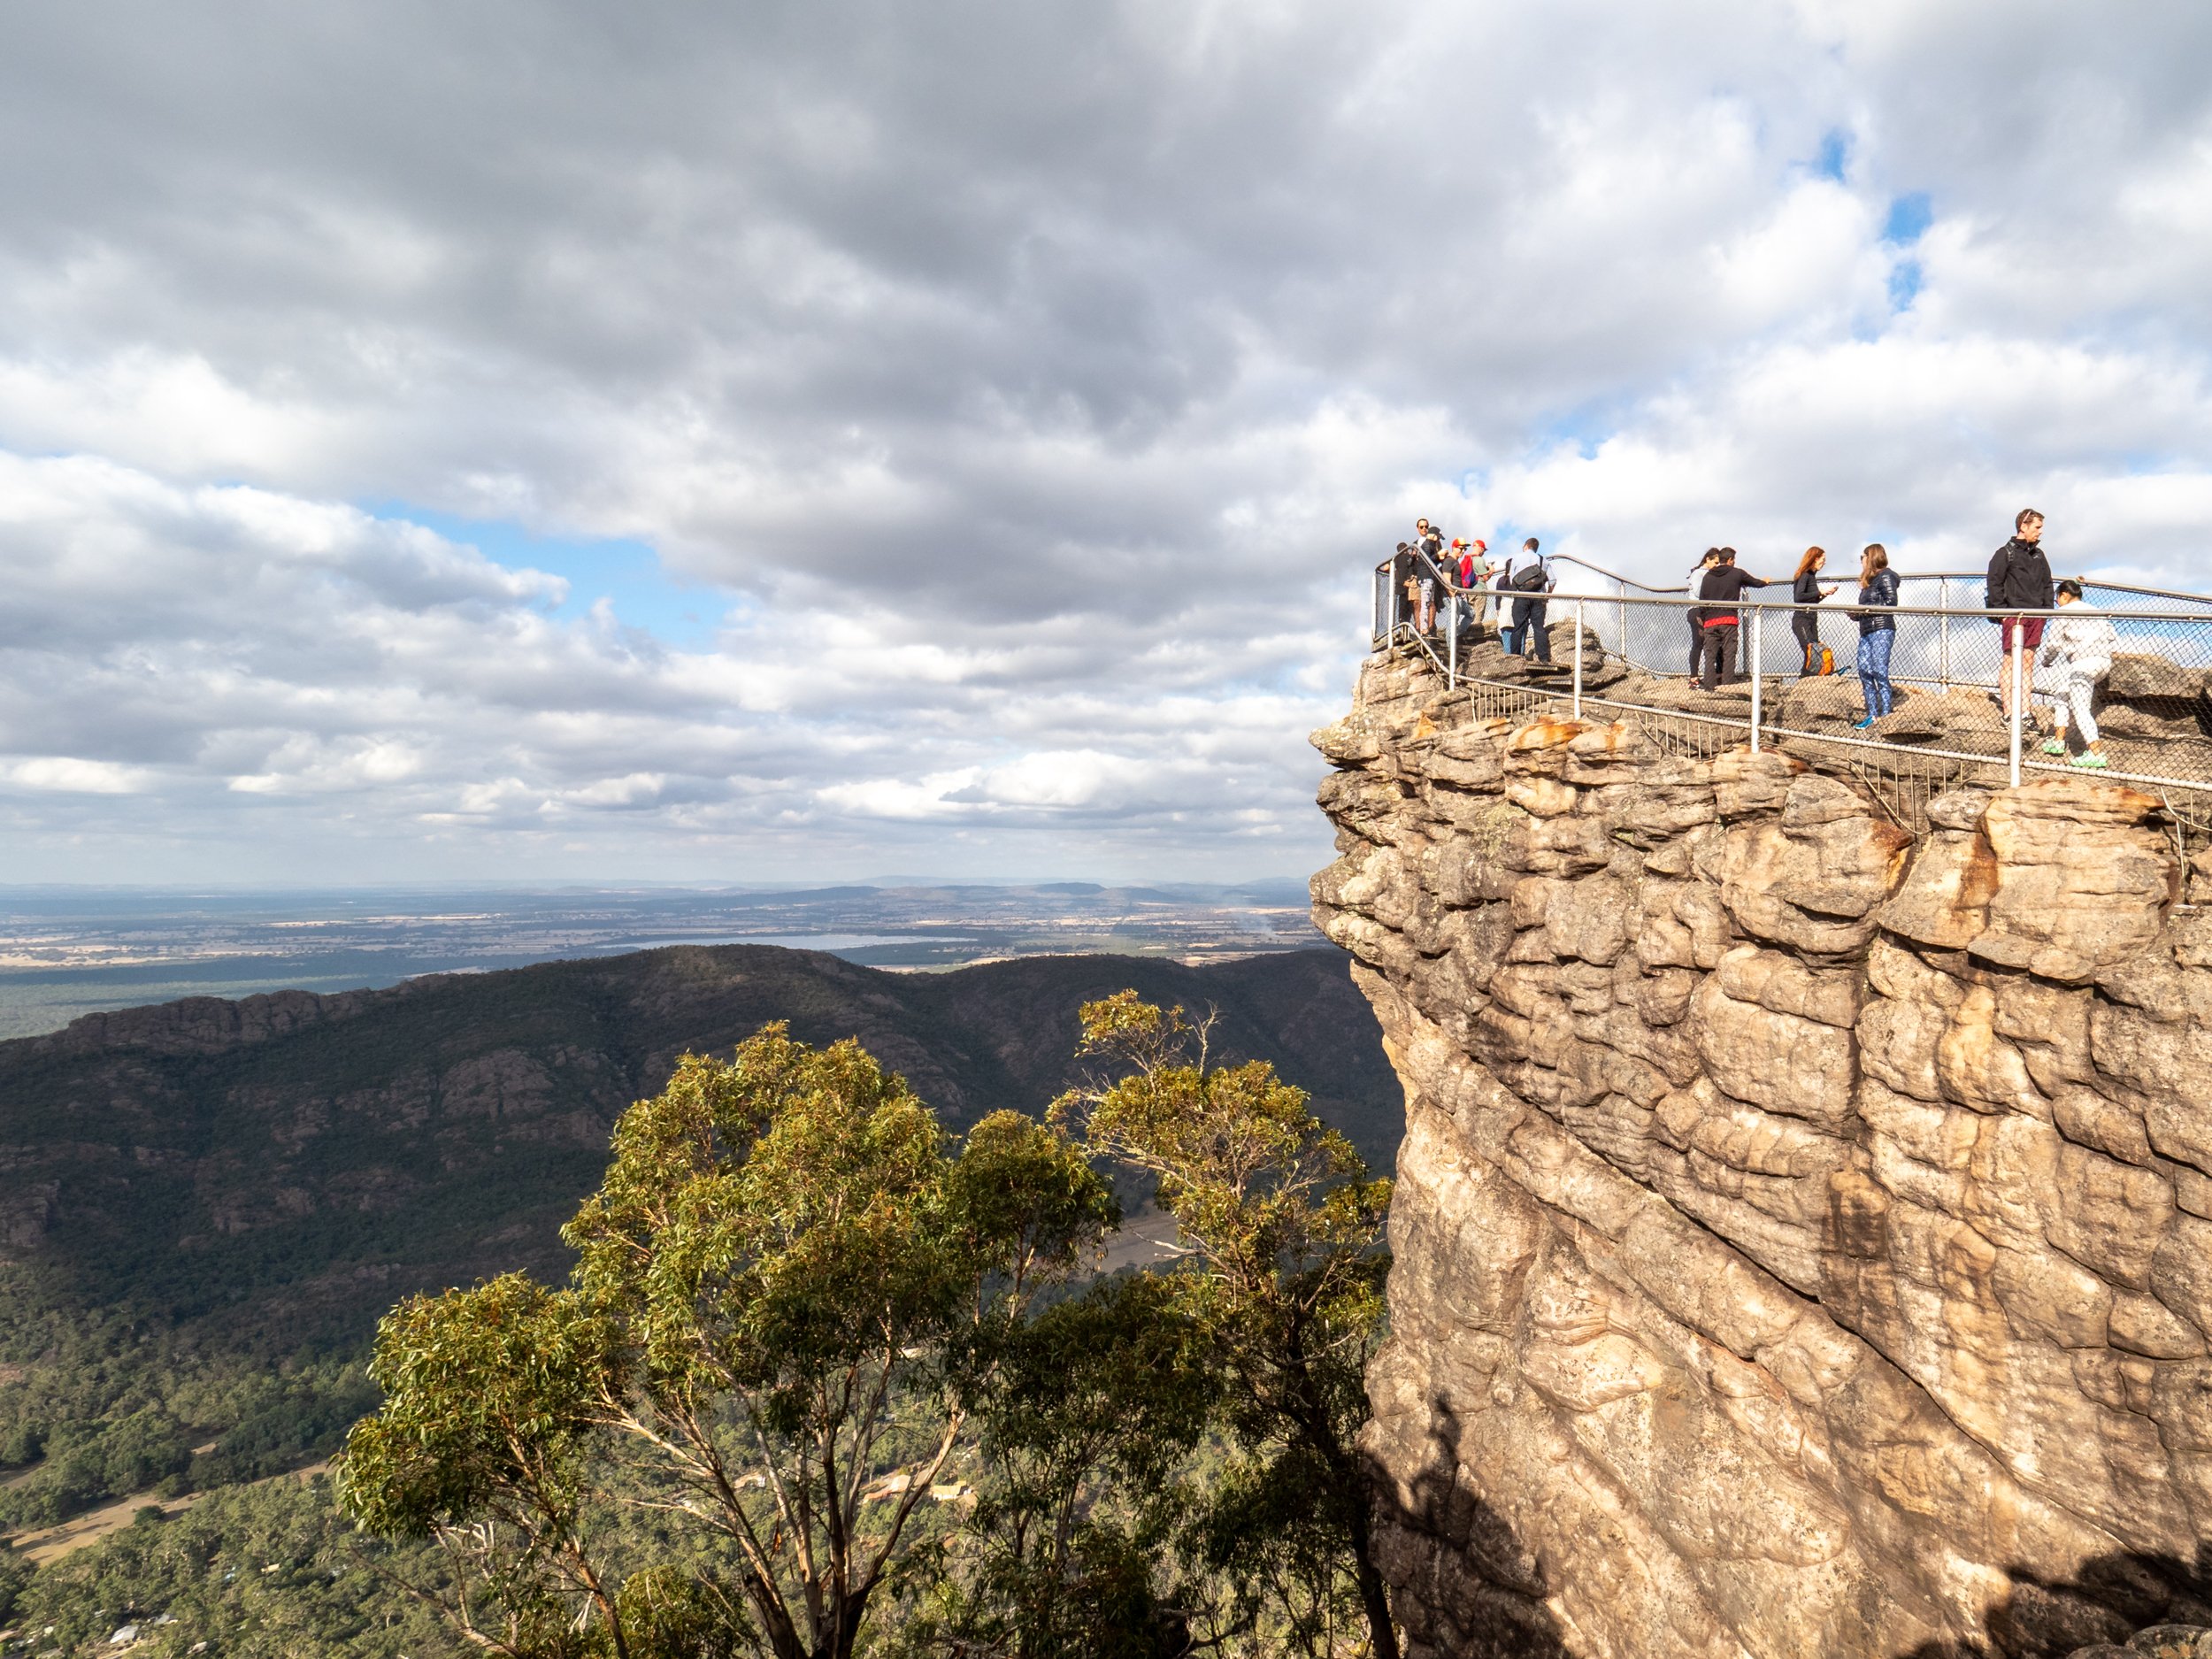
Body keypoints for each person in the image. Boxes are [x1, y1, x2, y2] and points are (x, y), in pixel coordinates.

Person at [2037, 579, 2117, 769]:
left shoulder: (2064, 612)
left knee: (2081, 710)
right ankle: (2058, 741)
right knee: (2062, 695)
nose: (2057, 603)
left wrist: (2047, 660)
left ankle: (2096, 753)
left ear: (2064, 595)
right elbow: (2113, 637)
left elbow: (2054, 643)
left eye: (2058, 598)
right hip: (2103, 662)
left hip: (2082, 663)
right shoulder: (2096, 611)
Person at [1988, 508, 2055, 718]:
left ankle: (2025, 712)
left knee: (2028, 662)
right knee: (2010, 661)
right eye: (2037, 527)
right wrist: (2003, 613)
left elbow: (2047, 584)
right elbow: (1994, 583)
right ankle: (2009, 713)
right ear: (2023, 526)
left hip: (2036, 615)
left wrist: (2046, 612)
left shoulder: (2039, 555)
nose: (2040, 532)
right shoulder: (2004, 553)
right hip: (2014, 615)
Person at [1695, 547, 1770, 690]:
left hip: (1710, 621)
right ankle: (1727, 687)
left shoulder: (1708, 576)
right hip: (1729, 620)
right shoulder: (1737, 573)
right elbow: (1756, 583)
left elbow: (1702, 600)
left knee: (1710, 655)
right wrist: (1765, 582)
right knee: (1729, 653)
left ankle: (1709, 687)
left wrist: (1706, 619)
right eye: (1733, 560)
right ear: (1730, 560)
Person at [1851, 543, 1900, 728]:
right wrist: (1857, 614)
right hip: (1866, 630)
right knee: (1864, 670)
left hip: (1882, 629)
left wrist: (1864, 611)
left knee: (1879, 670)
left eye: (1862, 557)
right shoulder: (1868, 581)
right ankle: (1872, 714)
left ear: (1870, 557)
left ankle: (1885, 713)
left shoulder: (1886, 576)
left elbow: (1890, 603)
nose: (1861, 561)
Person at [1790, 547, 1840, 675]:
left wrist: (1824, 594)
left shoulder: (1812, 576)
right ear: (1815, 558)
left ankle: (1809, 680)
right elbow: (1799, 597)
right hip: (1802, 619)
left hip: (1812, 619)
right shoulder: (1805, 574)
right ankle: (1805, 681)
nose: (1824, 563)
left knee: (1815, 652)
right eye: (1823, 560)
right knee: (1811, 652)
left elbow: (1811, 600)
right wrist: (1819, 592)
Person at [1506, 538, 1553, 662]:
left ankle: (1514, 658)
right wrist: (1547, 594)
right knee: (1539, 628)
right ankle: (1543, 658)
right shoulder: (1543, 560)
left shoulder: (1517, 558)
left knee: (1518, 628)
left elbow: (1512, 579)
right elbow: (1553, 581)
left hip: (1521, 596)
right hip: (1538, 597)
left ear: (1526, 546)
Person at [1685, 548, 1722, 680]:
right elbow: (1699, 593)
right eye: (1716, 562)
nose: (1717, 566)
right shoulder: (1699, 574)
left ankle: (1717, 674)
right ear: (1708, 559)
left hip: (1708, 611)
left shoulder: (1712, 575)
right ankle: (1694, 676)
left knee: (1716, 641)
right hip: (1697, 610)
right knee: (1698, 642)